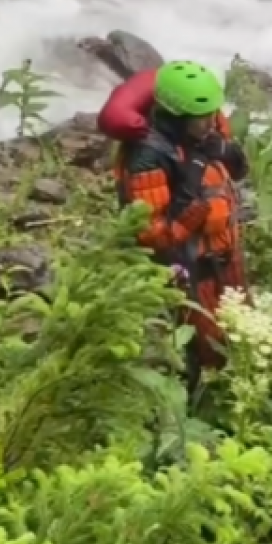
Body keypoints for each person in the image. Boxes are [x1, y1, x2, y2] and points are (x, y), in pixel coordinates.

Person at [107, 61, 250, 398]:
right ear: (177, 116)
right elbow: (148, 233)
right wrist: (193, 214)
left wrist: (228, 152)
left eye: (214, 113)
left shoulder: (206, 129)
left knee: (238, 339)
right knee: (202, 348)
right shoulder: (148, 157)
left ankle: (231, 397)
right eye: (204, 117)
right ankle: (197, 406)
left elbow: (237, 170)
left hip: (222, 257)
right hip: (188, 268)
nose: (213, 122)